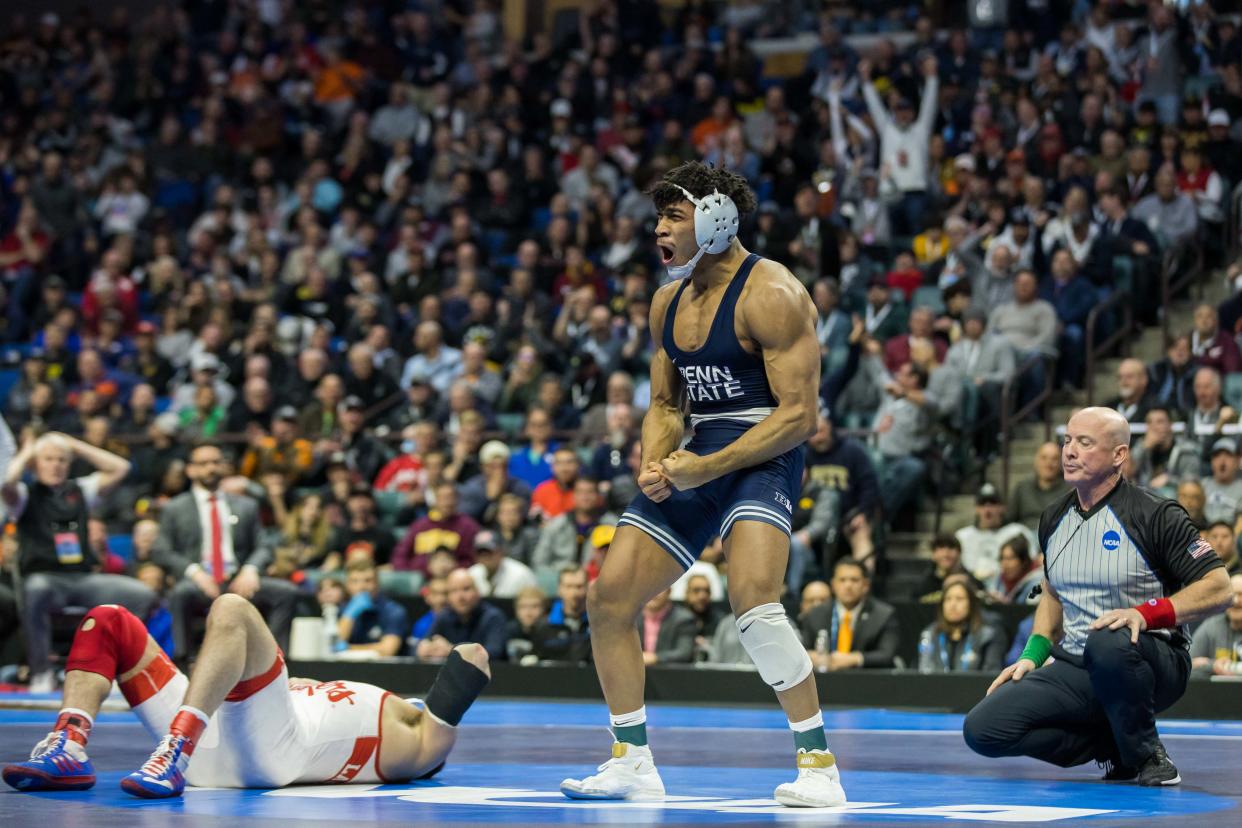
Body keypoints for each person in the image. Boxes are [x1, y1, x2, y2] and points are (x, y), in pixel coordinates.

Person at [560, 162, 844, 808]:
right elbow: (664, 403)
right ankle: (631, 759)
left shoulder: (772, 294)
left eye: (673, 217)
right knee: (606, 602)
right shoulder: (669, 301)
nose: (658, 230)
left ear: (717, 219)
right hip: (700, 456)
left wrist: (704, 467)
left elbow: (801, 416)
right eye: (658, 217)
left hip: (764, 455)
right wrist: (654, 462)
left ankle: (819, 764)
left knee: (754, 603)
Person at [963, 407, 1233, 786]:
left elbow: (1220, 588)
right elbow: (1053, 595)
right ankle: (1113, 745)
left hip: (1151, 660)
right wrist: (1032, 655)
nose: (1069, 451)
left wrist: (1145, 614)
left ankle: (1148, 755)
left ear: (1119, 455)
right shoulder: (1053, 518)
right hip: (1078, 664)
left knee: (1108, 638)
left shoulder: (1156, 514)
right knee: (983, 729)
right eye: (1067, 441)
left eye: (1084, 443)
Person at [1, 599, 489, 797]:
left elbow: (468, 668)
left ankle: (174, 749)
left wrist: (464, 652)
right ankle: (69, 744)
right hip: (228, 741)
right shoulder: (364, 709)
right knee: (108, 620)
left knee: (232, 607)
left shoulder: (416, 747)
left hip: (267, 755)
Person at [2, 428, 156, 692]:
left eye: (62, 459)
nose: (56, 465)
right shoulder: (26, 495)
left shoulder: (81, 490)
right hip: (45, 580)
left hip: (83, 579)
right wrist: (29, 449)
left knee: (141, 595)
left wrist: (73, 443)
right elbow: (5, 483)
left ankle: (120, 671)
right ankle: (41, 673)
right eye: (48, 459)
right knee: (35, 589)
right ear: (36, 464)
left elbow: (120, 467)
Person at [152, 441, 300, 659]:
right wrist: (195, 572)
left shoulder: (245, 505)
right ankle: (183, 663)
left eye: (215, 462)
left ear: (223, 467)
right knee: (180, 593)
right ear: (191, 470)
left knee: (286, 593)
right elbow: (161, 550)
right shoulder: (175, 508)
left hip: (238, 579)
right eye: (203, 463)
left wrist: (250, 569)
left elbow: (264, 544)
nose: (210, 468)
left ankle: (274, 663)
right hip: (199, 581)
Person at [799, 558, 899, 671]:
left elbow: (887, 655)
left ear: (866, 585)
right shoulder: (815, 613)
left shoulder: (883, 614)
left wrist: (854, 659)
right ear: (833, 585)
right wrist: (813, 656)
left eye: (854, 580)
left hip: (867, 680)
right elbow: (802, 649)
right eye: (842, 580)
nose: (848, 585)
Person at [415, 568, 508, 662]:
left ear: (477, 592)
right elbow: (424, 643)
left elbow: (494, 654)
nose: (460, 597)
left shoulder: (493, 617)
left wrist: (452, 650)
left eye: (466, 589)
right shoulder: (445, 616)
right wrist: (425, 649)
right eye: (454, 591)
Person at [917, 578, 1007, 673]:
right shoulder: (929, 634)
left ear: (971, 604)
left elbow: (991, 672)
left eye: (959, 599)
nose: (953, 604)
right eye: (948, 599)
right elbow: (924, 671)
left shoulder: (988, 635)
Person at [337, 558, 409, 657]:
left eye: (368, 580)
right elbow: (335, 643)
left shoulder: (393, 611)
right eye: (354, 581)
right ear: (348, 585)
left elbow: (387, 650)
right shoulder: (344, 610)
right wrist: (349, 615)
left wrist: (348, 648)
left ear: (377, 583)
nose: (361, 586)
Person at [1188, 574, 1242, 677]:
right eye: (1232, 595)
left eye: (1241, 594)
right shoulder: (1211, 628)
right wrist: (1212, 666)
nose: (1236, 601)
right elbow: (1188, 665)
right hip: (1219, 691)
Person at [1008, 442, 1070, 531]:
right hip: (1025, 538)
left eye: (1054, 459)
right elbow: (1009, 520)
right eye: (1044, 458)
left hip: (1056, 536)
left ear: (1061, 463)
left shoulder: (1069, 491)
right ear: (1036, 461)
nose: (1049, 463)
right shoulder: (1022, 488)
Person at [467, 530, 537, 598]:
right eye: (480, 553)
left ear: (501, 552)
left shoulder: (521, 574)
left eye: (489, 552)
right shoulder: (472, 574)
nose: (485, 557)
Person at [639, 587, 697, 665]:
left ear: (669, 591)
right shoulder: (630, 619)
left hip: (669, 674)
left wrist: (655, 658)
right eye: (649, 587)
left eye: (659, 587)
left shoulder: (684, 619)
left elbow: (684, 653)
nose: (654, 592)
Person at [986, 537, 1043, 605]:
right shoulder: (1000, 578)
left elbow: (1031, 608)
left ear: (1024, 561)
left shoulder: (1038, 583)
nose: (1005, 564)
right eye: (1002, 558)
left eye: (1010, 558)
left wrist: (1006, 606)